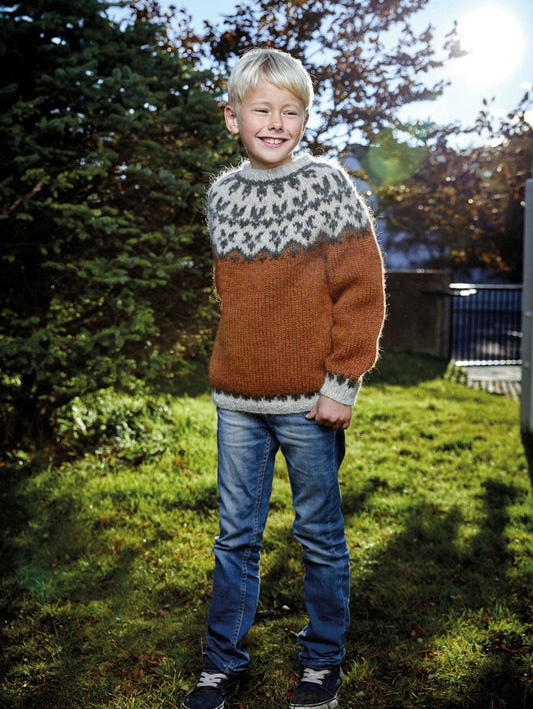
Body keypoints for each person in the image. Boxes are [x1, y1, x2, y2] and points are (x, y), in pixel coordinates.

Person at [182, 47, 386, 709]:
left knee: (318, 535)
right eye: (261, 109)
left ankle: (322, 661)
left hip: (310, 403)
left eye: (290, 111)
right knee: (234, 536)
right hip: (237, 400)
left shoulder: (326, 185)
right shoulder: (222, 194)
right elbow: (234, 294)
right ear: (232, 117)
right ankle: (221, 663)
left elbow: (362, 290)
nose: (275, 122)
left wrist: (342, 381)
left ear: (304, 118)